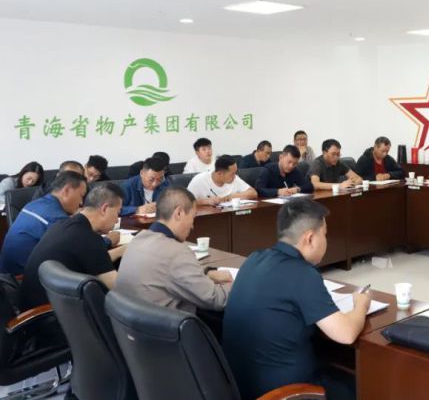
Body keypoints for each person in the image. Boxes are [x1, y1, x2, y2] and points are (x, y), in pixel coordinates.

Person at [223, 198, 370, 400]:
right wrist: (361, 305)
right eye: (324, 234)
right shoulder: (302, 273)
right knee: (365, 386)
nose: (326, 240)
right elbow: (346, 334)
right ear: (310, 238)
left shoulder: (254, 259)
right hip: (287, 393)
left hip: (240, 388)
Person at [115, 187, 232, 313]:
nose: (192, 226)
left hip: (128, 322)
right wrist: (239, 283)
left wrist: (207, 273)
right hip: (164, 324)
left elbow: (167, 272)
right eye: (193, 217)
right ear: (179, 213)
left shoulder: (137, 239)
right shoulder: (176, 252)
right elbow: (217, 299)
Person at [20, 182, 127, 309]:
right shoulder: (88, 238)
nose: (117, 219)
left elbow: (96, 259)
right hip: (49, 312)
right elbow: (118, 290)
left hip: (33, 304)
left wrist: (123, 250)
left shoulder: (66, 224)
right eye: (118, 212)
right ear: (104, 209)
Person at [0, 171, 87, 276]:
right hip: (20, 279)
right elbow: (81, 249)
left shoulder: (35, 203)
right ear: (66, 190)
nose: (81, 202)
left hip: (6, 274)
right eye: (81, 195)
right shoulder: (56, 218)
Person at [186, 155, 257, 206]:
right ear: (220, 173)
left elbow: (253, 193)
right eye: (232, 174)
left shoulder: (235, 178)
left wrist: (230, 197)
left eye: (235, 173)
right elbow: (185, 202)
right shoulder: (199, 180)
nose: (235, 176)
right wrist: (205, 201)